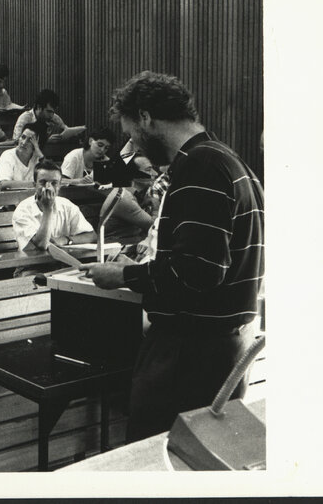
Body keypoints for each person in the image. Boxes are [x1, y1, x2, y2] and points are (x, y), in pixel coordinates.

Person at [79, 71, 265, 442]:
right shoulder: (226, 159)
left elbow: (196, 272)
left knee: (156, 465)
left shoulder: (199, 167)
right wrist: (144, 269)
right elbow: (210, 262)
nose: (133, 143)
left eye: (132, 131)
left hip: (189, 356)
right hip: (219, 350)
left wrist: (125, 277)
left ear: (146, 117)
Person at [11, 158, 96, 252]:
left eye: (54, 183)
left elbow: (91, 236)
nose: (48, 187)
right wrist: (48, 209)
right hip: (31, 264)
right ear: (34, 185)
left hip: (63, 262)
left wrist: (65, 239)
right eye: (43, 182)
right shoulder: (23, 210)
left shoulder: (67, 205)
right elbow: (42, 244)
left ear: (59, 185)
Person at [11, 88, 86, 143]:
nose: (51, 115)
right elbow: (17, 141)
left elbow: (66, 130)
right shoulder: (24, 118)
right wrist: (46, 141)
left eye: (53, 112)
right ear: (39, 107)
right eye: (49, 111)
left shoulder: (54, 118)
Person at [0, 123, 44, 192]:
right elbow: (3, 184)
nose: (24, 142)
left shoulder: (36, 158)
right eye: (23, 137)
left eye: (30, 140)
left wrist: (40, 154)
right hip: (1, 200)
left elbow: (50, 176)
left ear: (36, 145)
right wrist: (34, 184)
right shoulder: (8, 155)